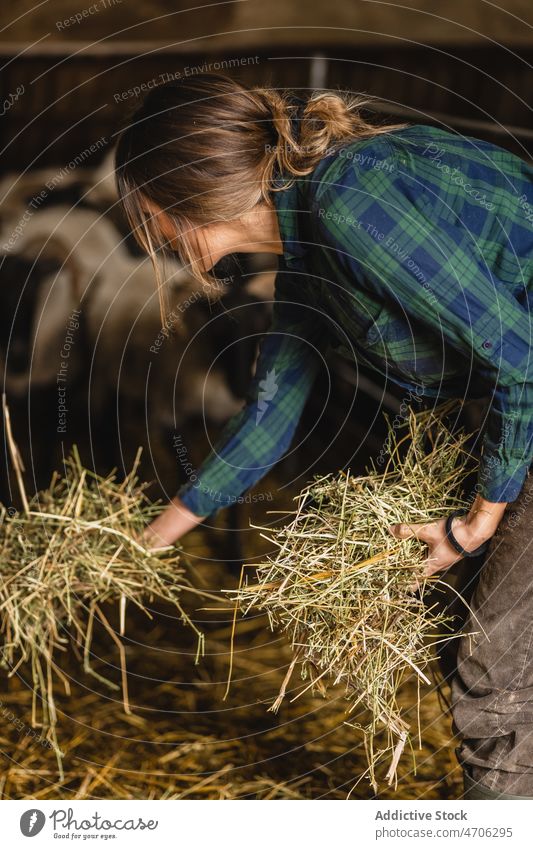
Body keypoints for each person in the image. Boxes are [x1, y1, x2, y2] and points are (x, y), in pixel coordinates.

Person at [115, 74, 533, 798]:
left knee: (490, 664)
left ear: (181, 190)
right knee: (460, 626)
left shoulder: (349, 201)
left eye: (145, 210)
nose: (145, 234)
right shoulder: (306, 251)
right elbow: (271, 414)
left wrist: (475, 521)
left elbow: (520, 359)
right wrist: (142, 543)